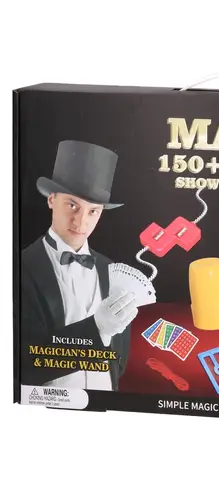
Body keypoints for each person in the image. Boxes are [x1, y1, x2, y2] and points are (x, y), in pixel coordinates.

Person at [21, 140, 137, 391]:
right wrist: (98, 328)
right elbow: (22, 362)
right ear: (51, 199)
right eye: (72, 205)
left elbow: (119, 360)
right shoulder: (18, 268)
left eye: (93, 211)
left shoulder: (111, 270)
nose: (81, 222)